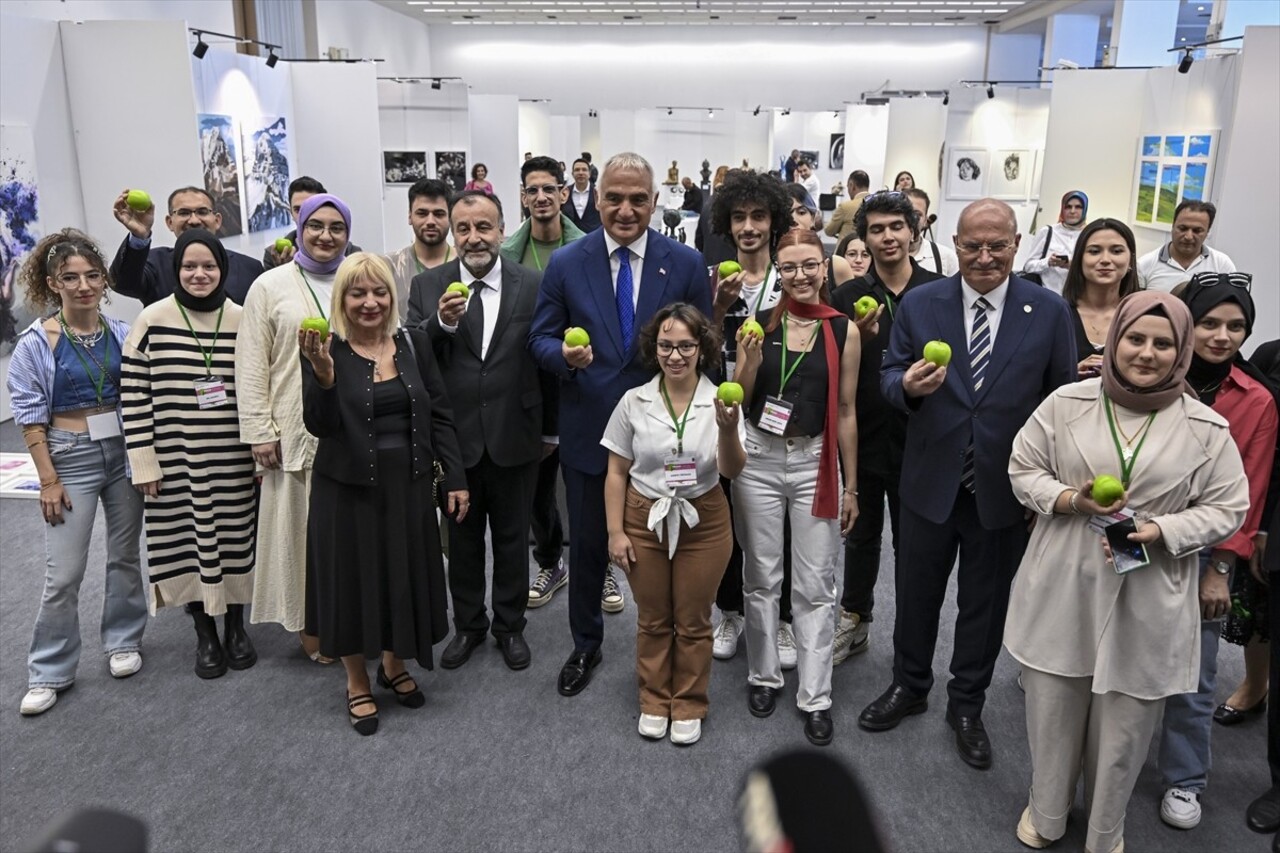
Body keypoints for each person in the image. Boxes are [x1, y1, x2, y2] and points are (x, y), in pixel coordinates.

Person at [1005, 290, 1249, 853]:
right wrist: (1069, 498)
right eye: (1135, 338)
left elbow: (1228, 506)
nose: (1147, 353)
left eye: (1163, 343)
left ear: (1182, 351)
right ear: (1115, 341)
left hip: (1151, 586)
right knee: (1054, 703)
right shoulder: (1067, 402)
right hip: (1067, 572)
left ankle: (1105, 828)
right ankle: (1047, 812)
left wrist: (1166, 531)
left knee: (1126, 721)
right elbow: (1023, 467)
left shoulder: (1206, 428)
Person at [859, 199, 1076, 770]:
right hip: (929, 479)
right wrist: (905, 383)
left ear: (1015, 243)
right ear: (952, 243)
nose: (984, 257)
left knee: (985, 603)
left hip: (1005, 488)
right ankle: (909, 685)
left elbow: (1062, 407)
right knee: (916, 593)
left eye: (997, 245)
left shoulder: (1048, 311)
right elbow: (886, 377)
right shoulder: (921, 303)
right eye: (972, 245)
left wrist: (1047, 490)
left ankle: (967, 704)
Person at [529, 151, 713, 698]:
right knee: (587, 548)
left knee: (676, 546)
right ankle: (586, 644)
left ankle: (676, 644)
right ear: (594, 198)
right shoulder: (567, 262)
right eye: (614, 198)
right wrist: (564, 355)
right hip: (591, 432)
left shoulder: (682, 262)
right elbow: (538, 339)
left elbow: (703, 341)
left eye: (638, 199)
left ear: (655, 202)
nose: (626, 209)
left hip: (668, 436)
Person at [298, 252, 468, 735]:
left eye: (379, 292)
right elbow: (320, 425)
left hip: (410, 486)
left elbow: (439, 413)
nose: (369, 302)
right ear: (342, 299)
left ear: (392, 297)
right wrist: (325, 377)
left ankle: (393, 665)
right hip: (346, 492)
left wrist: (454, 477)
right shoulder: (321, 347)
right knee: (353, 583)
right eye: (357, 293)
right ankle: (356, 682)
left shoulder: (413, 342)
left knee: (402, 576)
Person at [407, 191, 557, 672]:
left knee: (514, 538)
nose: (475, 238)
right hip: (455, 441)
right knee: (464, 541)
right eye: (465, 228)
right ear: (453, 232)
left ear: (501, 228)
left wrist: (551, 431)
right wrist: (442, 326)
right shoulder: (427, 286)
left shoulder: (533, 284)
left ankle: (510, 627)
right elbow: (410, 352)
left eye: (484, 227)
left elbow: (546, 360)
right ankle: (469, 626)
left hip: (518, 433)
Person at [1155, 273, 1278, 830]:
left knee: (1196, 671)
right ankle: (1104, 758)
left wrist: (1221, 570)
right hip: (1136, 535)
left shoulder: (1257, 401)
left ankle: (1185, 779)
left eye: (1237, 327)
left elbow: (1247, 494)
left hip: (1204, 551)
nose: (1222, 336)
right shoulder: (1145, 374)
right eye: (1209, 323)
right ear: (1187, 323)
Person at [7, 229, 146, 716]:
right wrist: (48, 479)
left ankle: (123, 640)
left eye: (91, 276)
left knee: (126, 556)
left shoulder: (124, 333)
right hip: (69, 456)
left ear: (103, 279)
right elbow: (28, 414)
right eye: (71, 278)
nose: (83, 285)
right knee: (63, 572)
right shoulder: (35, 343)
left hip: (123, 453)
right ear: (53, 283)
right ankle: (49, 670)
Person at [734, 227, 860, 746]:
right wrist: (749, 358)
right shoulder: (759, 324)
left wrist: (851, 486)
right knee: (762, 575)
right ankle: (763, 675)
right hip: (759, 460)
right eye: (789, 268)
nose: (800, 276)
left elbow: (848, 410)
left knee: (816, 584)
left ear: (825, 267)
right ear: (777, 272)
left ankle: (815, 695)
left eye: (810, 265)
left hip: (813, 462)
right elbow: (737, 398)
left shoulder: (842, 331)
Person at [602, 303, 744, 745]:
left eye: (686, 345)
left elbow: (733, 470)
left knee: (694, 617)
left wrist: (726, 428)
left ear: (702, 349)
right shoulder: (634, 400)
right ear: (654, 347)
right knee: (653, 616)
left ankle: (688, 701)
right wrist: (615, 532)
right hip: (644, 517)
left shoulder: (720, 398)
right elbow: (616, 473)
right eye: (666, 345)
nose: (676, 355)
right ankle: (653, 696)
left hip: (704, 518)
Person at [120, 229, 257, 679]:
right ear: (176, 270)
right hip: (175, 461)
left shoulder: (243, 318)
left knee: (237, 541)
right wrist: (143, 459)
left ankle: (236, 627)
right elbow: (134, 394)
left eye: (209, 266)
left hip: (235, 460)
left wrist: (260, 455)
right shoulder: (153, 320)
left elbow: (261, 388)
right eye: (189, 266)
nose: (199, 274)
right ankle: (204, 632)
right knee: (187, 543)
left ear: (223, 269)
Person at [236, 193, 353, 663]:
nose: (326, 235)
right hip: (291, 430)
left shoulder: (356, 277)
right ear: (299, 228)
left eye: (336, 227)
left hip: (352, 428)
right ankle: (310, 624)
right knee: (301, 536)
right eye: (316, 226)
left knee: (348, 534)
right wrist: (260, 430)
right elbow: (250, 363)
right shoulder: (270, 286)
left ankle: (354, 616)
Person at [829, 191, 942, 664]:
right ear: (864, 238)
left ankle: (911, 638)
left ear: (913, 230)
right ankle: (856, 617)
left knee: (914, 545)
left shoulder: (940, 291)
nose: (887, 236)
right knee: (861, 535)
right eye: (876, 229)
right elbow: (835, 371)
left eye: (896, 226)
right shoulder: (848, 296)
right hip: (867, 434)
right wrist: (859, 338)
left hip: (924, 436)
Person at [707, 170, 797, 666]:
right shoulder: (713, 278)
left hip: (778, 417)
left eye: (758, 216)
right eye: (739, 217)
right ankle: (730, 610)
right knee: (724, 517)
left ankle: (782, 619)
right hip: (725, 413)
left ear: (773, 221)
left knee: (773, 521)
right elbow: (697, 348)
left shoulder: (790, 280)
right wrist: (719, 308)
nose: (748, 226)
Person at [498, 157, 582, 609]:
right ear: (523, 197)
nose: (542, 197)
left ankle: (601, 564)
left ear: (564, 194)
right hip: (530, 382)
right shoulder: (505, 255)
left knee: (591, 481)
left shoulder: (589, 248)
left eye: (550, 188)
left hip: (582, 380)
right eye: (533, 190)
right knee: (538, 487)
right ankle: (551, 561)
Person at [110, 186, 264, 305]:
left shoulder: (250, 268)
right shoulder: (155, 263)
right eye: (184, 213)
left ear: (217, 220)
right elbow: (123, 284)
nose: (194, 220)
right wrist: (139, 235)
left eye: (202, 212)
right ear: (170, 222)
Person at [1062, 218, 1143, 380]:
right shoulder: (1056, 313)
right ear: (1079, 259)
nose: (1105, 260)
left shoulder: (1143, 314)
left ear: (1130, 260)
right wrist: (1070, 373)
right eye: (1094, 251)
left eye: (1117, 251)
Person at [386, 179, 456, 319]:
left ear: (451, 217)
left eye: (439, 214)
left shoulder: (464, 265)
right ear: (410, 216)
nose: (430, 221)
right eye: (422, 213)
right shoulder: (389, 265)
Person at [262, 177, 364, 271]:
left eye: (312, 209)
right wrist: (285, 270)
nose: (304, 215)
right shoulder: (275, 254)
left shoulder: (352, 253)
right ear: (291, 213)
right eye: (298, 210)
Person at [1137, 200, 1236, 292]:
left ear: (1207, 232)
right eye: (1182, 228)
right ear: (1172, 226)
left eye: (1197, 231)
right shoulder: (1144, 265)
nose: (1188, 236)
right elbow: (1135, 307)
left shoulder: (1222, 265)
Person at [1021, 190, 1088, 295]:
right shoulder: (1048, 232)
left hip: (1079, 299)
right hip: (1049, 298)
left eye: (1078, 207)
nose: (1072, 211)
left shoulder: (1090, 234)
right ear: (1062, 209)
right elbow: (1028, 267)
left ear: (1085, 209)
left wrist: (1074, 266)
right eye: (1068, 207)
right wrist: (1048, 262)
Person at [906, 189, 960, 277]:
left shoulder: (945, 257)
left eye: (917, 214)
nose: (911, 219)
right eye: (906, 213)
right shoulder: (880, 255)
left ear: (925, 220)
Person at [823, 171, 871, 241]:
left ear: (852, 186)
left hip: (846, 250)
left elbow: (829, 231)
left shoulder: (845, 207)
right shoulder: (878, 205)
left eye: (848, 186)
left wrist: (824, 223)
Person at [565, 158, 602, 233]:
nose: (580, 173)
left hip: (593, 236)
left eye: (584, 170)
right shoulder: (565, 192)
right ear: (572, 173)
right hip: (572, 238)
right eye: (577, 170)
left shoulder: (598, 192)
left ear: (589, 174)